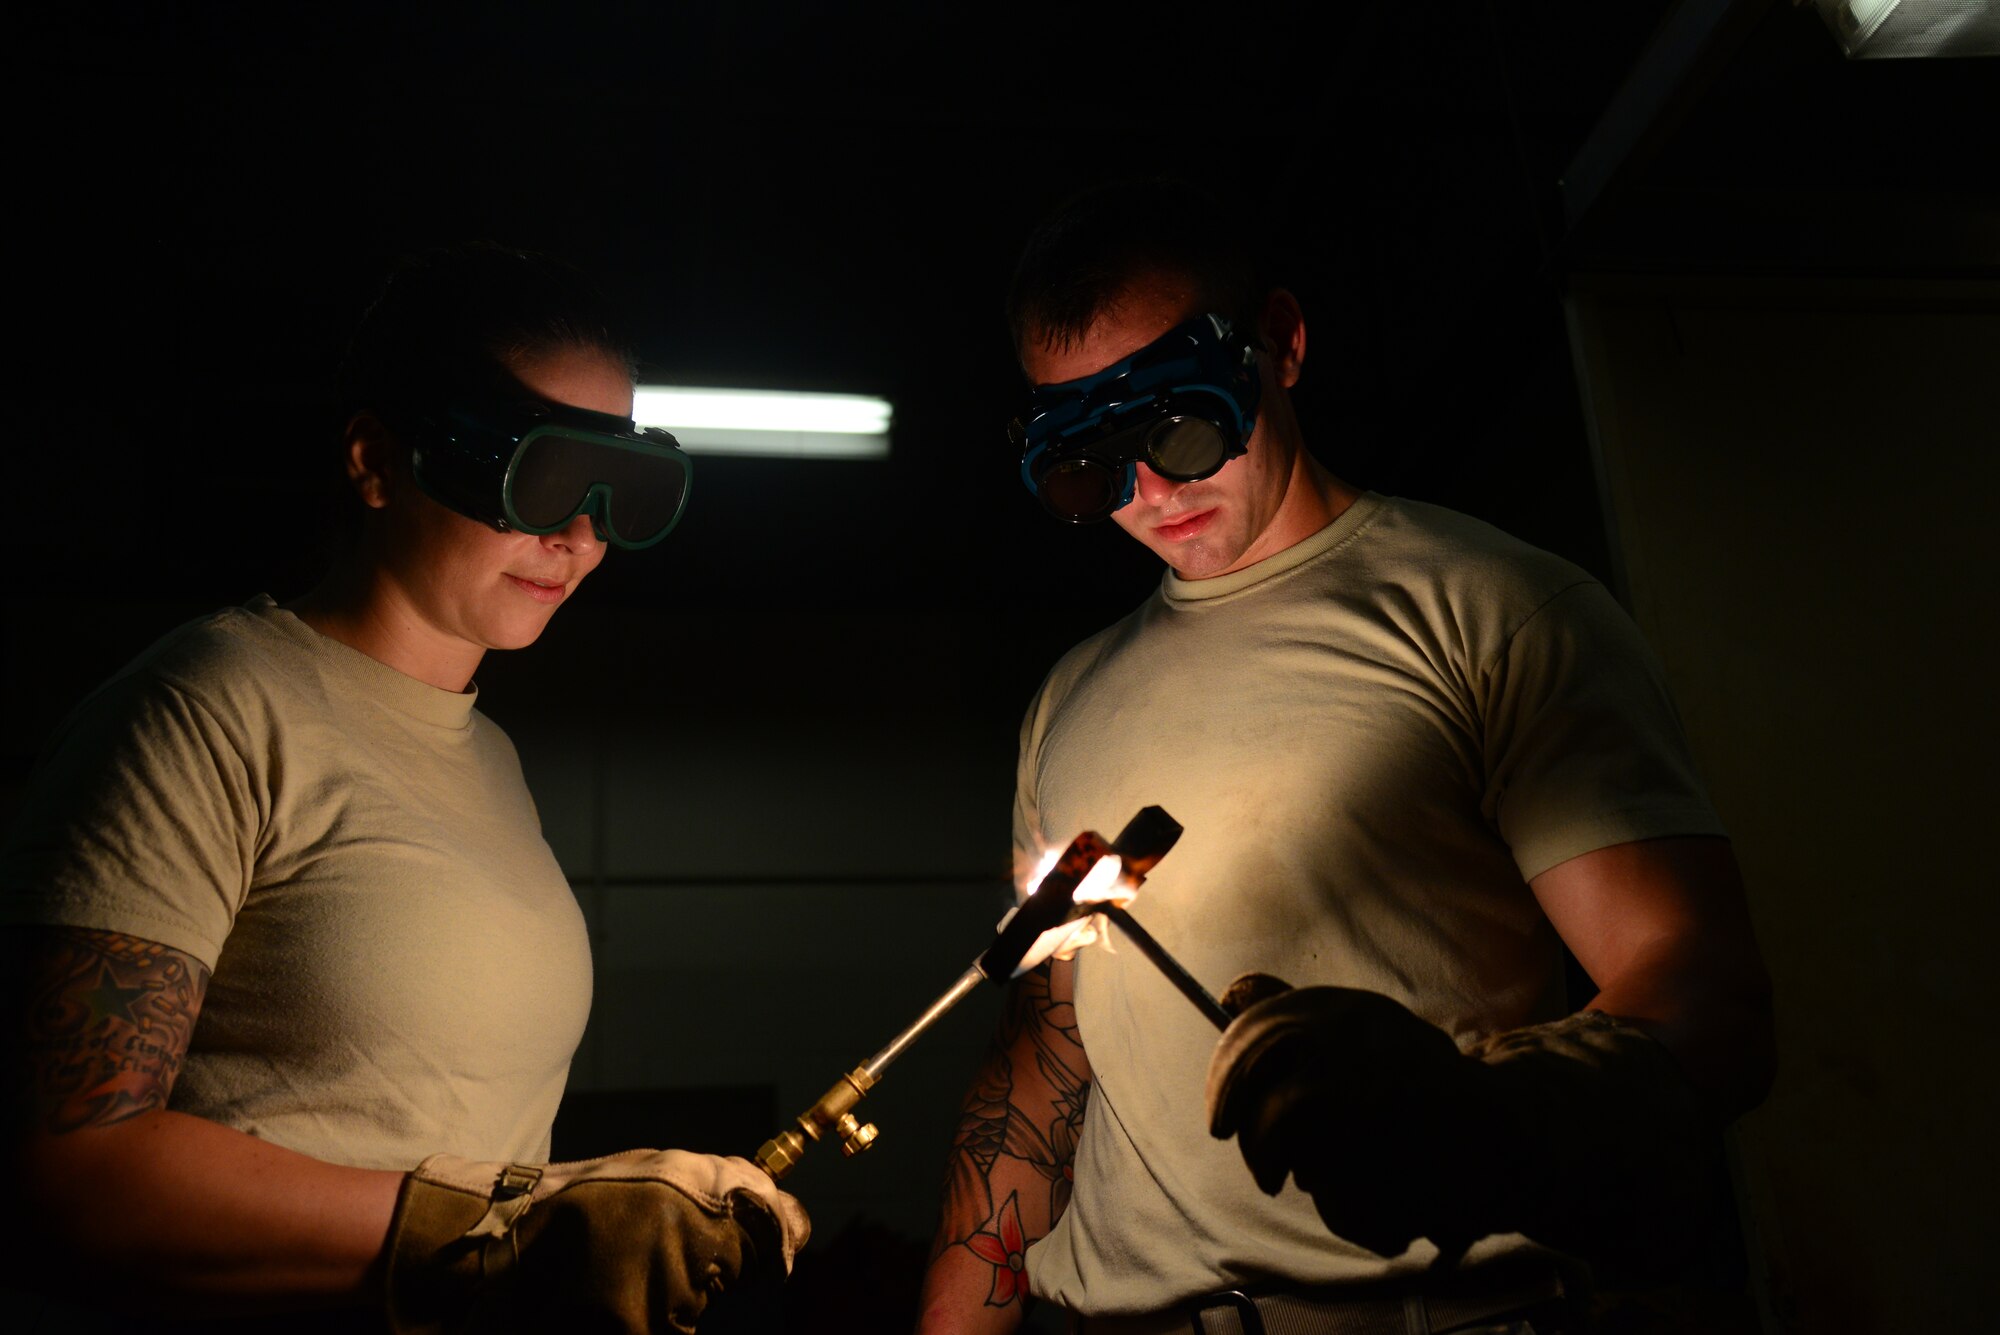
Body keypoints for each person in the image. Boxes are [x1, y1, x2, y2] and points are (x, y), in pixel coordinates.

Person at [915, 178, 1775, 1334]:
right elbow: (1042, 1066)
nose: (1151, 490)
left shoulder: (1488, 612)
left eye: (1179, 425)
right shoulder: (1069, 699)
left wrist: (1487, 1116)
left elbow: (1706, 994)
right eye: (1093, 463)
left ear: (1278, 343)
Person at [1, 242, 808, 1333]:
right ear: (378, 461)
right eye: (540, 476)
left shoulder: (490, 761)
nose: (578, 536)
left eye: (617, 488)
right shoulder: (210, 710)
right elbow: (65, 1168)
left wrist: (594, 1212)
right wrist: (514, 1222)